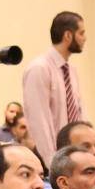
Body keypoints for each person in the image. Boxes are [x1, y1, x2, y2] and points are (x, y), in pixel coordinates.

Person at [21, 11, 86, 149]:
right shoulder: (39, 68)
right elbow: (39, 121)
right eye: (81, 33)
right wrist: (51, 159)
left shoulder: (71, 71)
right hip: (50, 154)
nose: (85, 38)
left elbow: (79, 113)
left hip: (72, 153)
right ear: (68, 35)